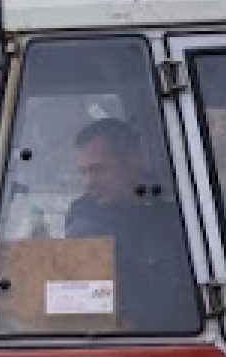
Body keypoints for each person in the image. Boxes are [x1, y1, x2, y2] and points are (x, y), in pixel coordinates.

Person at [64, 118, 199, 332]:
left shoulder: (181, 206)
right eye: (83, 172)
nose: (89, 183)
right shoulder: (85, 225)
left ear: (132, 159)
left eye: (98, 169)